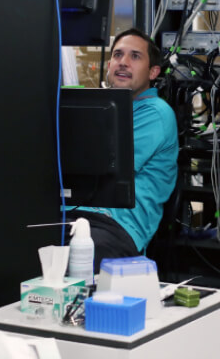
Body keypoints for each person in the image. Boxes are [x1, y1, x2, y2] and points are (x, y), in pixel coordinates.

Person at [70, 28, 178, 273]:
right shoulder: (104, 108)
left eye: (135, 57)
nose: (123, 63)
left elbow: (106, 163)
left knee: (80, 259)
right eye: (118, 55)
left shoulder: (156, 112)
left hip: (112, 226)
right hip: (71, 215)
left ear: (153, 72)